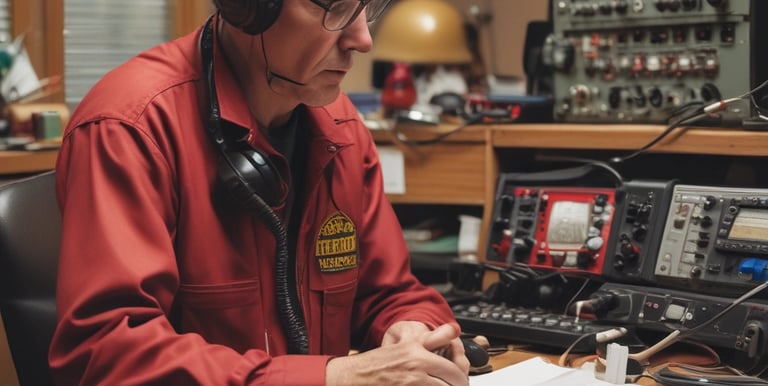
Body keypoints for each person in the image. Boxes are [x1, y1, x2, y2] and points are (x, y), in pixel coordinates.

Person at [48, 0, 470, 385]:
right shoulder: (129, 127)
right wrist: (331, 378)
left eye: (368, 7)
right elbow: (107, 352)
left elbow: (388, 293)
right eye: (337, 8)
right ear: (250, 7)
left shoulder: (342, 128)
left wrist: (411, 326)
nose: (363, 39)